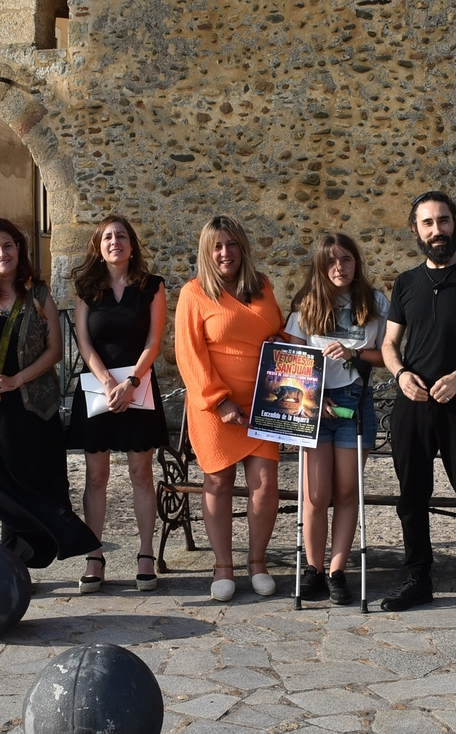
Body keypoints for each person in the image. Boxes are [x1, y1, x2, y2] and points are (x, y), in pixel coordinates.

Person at [379, 191, 456, 625]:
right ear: (415, 229)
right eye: (428, 223)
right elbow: (390, 344)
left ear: (455, 224)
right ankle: (418, 579)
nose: (438, 230)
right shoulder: (405, 282)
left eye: (444, 221)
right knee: (411, 497)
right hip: (412, 403)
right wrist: (400, 375)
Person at [0, 217, 101, 568]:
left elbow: (54, 351)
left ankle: (19, 562)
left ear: (19, 248)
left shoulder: (39, 295)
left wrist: (17, 380)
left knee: (33, 487)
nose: (2, 253)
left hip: (34, 412)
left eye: (8, 245)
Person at [174, 214, 285, 602]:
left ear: (243, 248)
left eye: (232, 244)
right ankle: (224, 566)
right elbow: (188, 354)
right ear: (207, 251)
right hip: (214, 405)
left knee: (265, 485)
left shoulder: (263, 286)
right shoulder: (194, 293)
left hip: (262, 403)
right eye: (217, 246)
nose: (225, 253)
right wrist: (219, 401)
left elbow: (277, 334)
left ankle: (258, 563)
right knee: (218, 483)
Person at [284, 233, 389, 605]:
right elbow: (292, 362)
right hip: (314, 404)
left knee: (346, 492)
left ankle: (337, 570)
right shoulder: (306, 303)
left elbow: (387, 356)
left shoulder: (375, 302)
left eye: (345, 259)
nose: (339, 268)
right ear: (320, 266)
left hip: (353, 403)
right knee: (316, 494)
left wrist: (354, 354)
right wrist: (312, 399)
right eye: (331, 261)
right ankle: (312, 569)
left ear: (356, 261)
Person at [66, 215, 168, 594]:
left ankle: (145, 555)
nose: (115, 242)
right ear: (98, 245)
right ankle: (94, 555)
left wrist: (131, 383)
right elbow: (84, 342)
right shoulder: (84, 289)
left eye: (121, 236)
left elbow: (153, 342)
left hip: (138, 389)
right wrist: (110, 382)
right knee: (96, 476)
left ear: (131, 244)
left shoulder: (152, 287)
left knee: (142, 474)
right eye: (107, 237)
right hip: (98, 391)